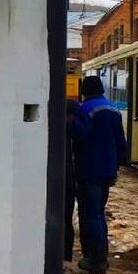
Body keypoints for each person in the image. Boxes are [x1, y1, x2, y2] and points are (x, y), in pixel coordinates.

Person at [69, 75, 128, 274]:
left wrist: (69, 119)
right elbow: (121, 142)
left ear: (84, 91)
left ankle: (96, 260)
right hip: (108, 170)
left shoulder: (86, 109)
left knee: (90, 214)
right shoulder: (113, 109)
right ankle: (99, 256)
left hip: (89, 169)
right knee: (98, 213)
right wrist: (117, 165)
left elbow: (78, 133)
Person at [63, 98, 79, 263]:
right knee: (67, 219)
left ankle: (62, 254)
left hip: (63, 178)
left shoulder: (58, 127)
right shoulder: (78, 129)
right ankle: (67, 254)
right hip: (72, 178)